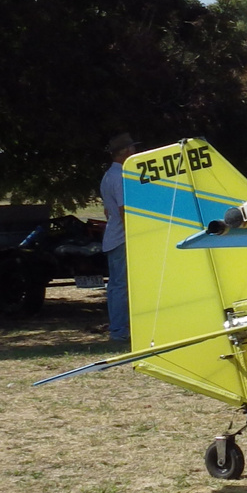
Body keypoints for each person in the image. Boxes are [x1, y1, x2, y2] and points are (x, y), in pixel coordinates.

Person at [100, 133, 139, 341]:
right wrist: (134, 236)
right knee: (121, 286)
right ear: (125, 152)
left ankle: (120, 329)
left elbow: (108, 211)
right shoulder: (121, 177)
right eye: (132, 149)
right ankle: (120, 331)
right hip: (122, 238)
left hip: (113, 236)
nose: (135, 152)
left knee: (117, 285)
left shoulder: (108, 176)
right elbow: (126, 211)